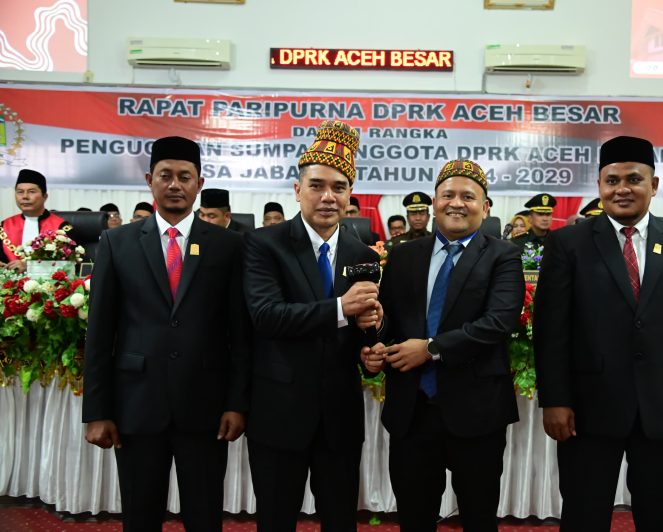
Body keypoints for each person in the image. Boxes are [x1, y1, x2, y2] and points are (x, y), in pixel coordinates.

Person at [534, 136, 663, 532]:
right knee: (584, 516)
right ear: (600, 185)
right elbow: (551, 329)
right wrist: (554, 400)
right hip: (587, 410)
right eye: (612, 180)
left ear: (654, 185)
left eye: (634, 179)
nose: (622, 188)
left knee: (661, 518)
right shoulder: (568, 243)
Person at [82, 136, 251, 532]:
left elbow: (240, 333)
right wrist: (97, 411)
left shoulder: (229, 246)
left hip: (206, 407)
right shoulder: (117, 242)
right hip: (136, 406)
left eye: (185, 177)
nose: (175, 184)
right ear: (149, 179)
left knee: (205, 516)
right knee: (140, 517)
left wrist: (237, 403)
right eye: (165, 176)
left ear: (199, 183)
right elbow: (100, 330)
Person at [365, 159, 524, 531]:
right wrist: (375, 346)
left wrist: (431, 348)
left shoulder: (503, 255)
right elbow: (389, 320)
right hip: (412, 410)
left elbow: (497, 323)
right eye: (448, 194)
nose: (457, 203)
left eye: (468, 196)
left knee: (478, 515)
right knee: (414, 516)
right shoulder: (403, 255)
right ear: (434, 203)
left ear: (485, 208)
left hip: (477, 409)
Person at [243, 120, 380, 531]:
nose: (328, 197)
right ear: (297, 190)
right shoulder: (264, 244)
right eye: (317, 185)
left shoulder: (364, 252)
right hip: (279, 411)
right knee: (276, 518)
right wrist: (341, 308)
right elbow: (266, 315)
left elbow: (362, 330)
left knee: (340, 520)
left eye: (339, 187)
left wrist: (371, 345)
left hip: (339, 414)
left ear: (349, 194)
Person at [0, 169, 66, 273]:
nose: (25, 196)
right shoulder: (4, 226)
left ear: (45, 197)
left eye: (31, 192)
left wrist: (30, 267)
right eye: (20, 192)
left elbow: (70, 265)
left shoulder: (62, 228)